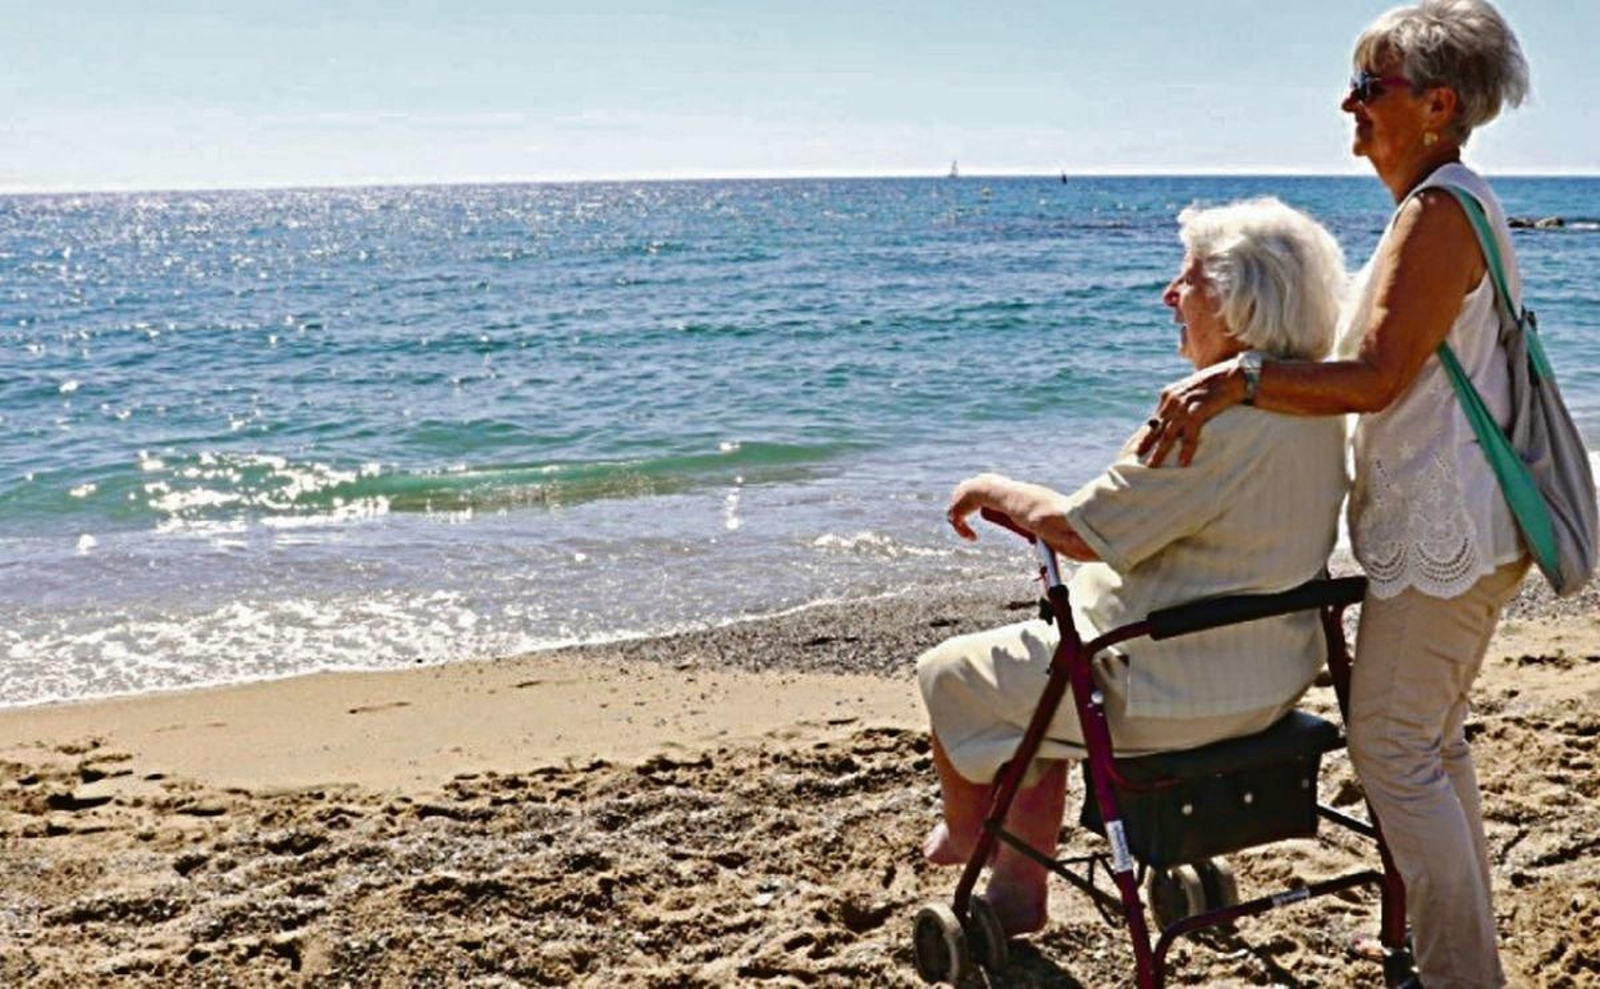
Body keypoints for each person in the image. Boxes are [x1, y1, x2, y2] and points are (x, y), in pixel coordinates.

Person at [1139, 2, 1531, 984]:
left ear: (1438, 104)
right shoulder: (1443, 204)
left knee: (1393, 749)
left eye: (1369, 86)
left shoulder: (1439, 213)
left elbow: (1377, 377)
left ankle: (1457, 972)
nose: (1348, 104)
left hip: (1446, 529)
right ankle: (1456, 955)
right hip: (1462, 524)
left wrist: (1239, 379)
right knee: (1429, 745)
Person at [919, 196, 1349, 937]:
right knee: (1042, 672)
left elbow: (1079, 531)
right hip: (1272, 682)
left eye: (1189, 279)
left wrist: (991, 488)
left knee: (951, 672)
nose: (1169, 294)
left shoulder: (1206, 422)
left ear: (1240, 303)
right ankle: (1019, 888)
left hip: (1165, 694)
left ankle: (969, 837)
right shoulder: (1319, 409)